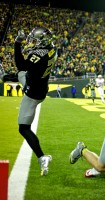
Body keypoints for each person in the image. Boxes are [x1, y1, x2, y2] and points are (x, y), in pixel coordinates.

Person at [14, 27, 57, 176]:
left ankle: (41, 157)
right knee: (19, 74)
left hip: (32, 92)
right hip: (42, 86)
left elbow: (21, 64)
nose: (32, 43)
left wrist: (17, 44)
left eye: (35, 40)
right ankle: (10, 77)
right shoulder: (52, 48)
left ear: (42, 41)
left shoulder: (38, 55)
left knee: (23, 128)